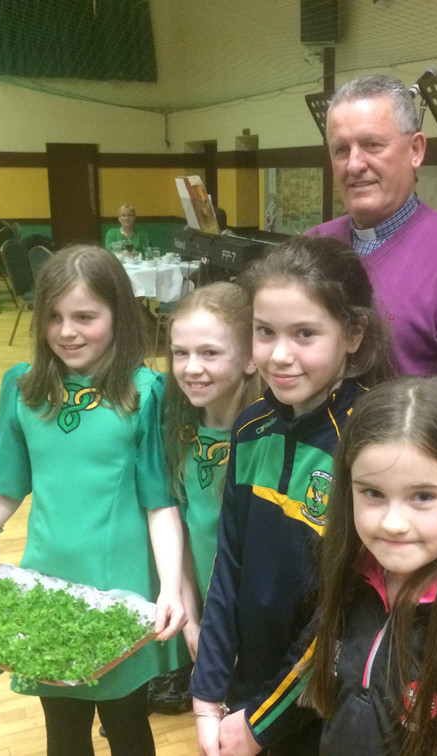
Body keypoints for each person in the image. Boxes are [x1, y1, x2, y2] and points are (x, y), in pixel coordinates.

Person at [0, 246, 188, 755]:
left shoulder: (146, 392)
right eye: (54, 317)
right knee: (63, 727)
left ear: (118, 316)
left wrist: (171, 586)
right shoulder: (23, 389)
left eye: (85, 316)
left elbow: (160, 503)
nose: (67, 331)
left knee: (126, 722)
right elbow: (3, 492)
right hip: (48, 586)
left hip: (122, 588)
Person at [228, 376, 437, 755]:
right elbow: (313, 665)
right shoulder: (351, 583)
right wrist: (253, 727)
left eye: (422, 496)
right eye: (372, 493)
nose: (392, 522)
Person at [190, 234, 396, 756]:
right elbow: (228, 566)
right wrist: (207, 690)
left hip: (326, 705)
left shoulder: (374, 443)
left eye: (305, 333)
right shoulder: (251, 426)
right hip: (250, 691)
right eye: (265, 333)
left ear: (353, 333)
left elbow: (345, 612)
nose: (280, 355)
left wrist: (261, 724)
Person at [307, 74, 437, 379]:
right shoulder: (311, 247)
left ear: (416, 150)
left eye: (372, 145)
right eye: (341, 149)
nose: (354, 164)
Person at [152, 282, 262, 713]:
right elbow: (179, 530)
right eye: (181, 353)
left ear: (251, 357)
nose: (191, 367)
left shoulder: (264, 438)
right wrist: (192, 620)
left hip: (255, 628)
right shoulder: (179, 432)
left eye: (210, 353)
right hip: (208, 621)